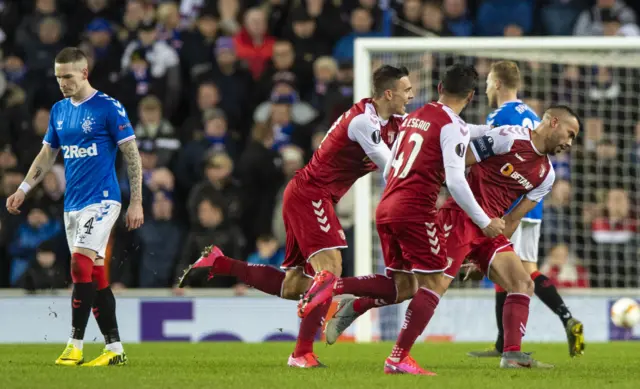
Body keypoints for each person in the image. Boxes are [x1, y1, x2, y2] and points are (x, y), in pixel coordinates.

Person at [177, 65, 413, 367]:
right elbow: (393, 169)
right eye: (406, 90)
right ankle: (302, 352)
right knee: (331, 268)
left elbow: (423, 137)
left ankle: (221, 263)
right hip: (311, 195)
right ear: (388, 93)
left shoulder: (395, 121)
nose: (412, 95)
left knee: (292, 286)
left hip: (308, 194)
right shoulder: (362, 122)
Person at [327, 63, 504, 375]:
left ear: (439, 88)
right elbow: (456, 180)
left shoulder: (414, 117)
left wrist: (495, 130)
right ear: (472, 95)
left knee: (403, 285)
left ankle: (336, 290)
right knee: (435, 281)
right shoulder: (453, 126)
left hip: (385, 207)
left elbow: (462, 132)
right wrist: (484, 219)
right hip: (414, 211)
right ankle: (397, 358)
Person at [5, 47, 144, 367]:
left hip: (104, 199)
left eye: (68, 76)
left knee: (79, 266)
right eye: (58, 77)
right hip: (73, 205)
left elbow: (132, 154)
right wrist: (24, 188)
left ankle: (74, 345)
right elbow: (46, 155)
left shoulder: (109, 107)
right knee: (94, 273)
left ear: (84, 73)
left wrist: (135, 201)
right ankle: (114, 348)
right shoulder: (59, 110)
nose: (62, 82)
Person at [467, 61, 584, 358]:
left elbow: (488, 159)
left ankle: (504, 345)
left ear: (495, 84)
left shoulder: (500, 115)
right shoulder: (532, 114)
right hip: (534, 199)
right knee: (526, 271)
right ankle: (566, 318)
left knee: (507, 271)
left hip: (511, 200)